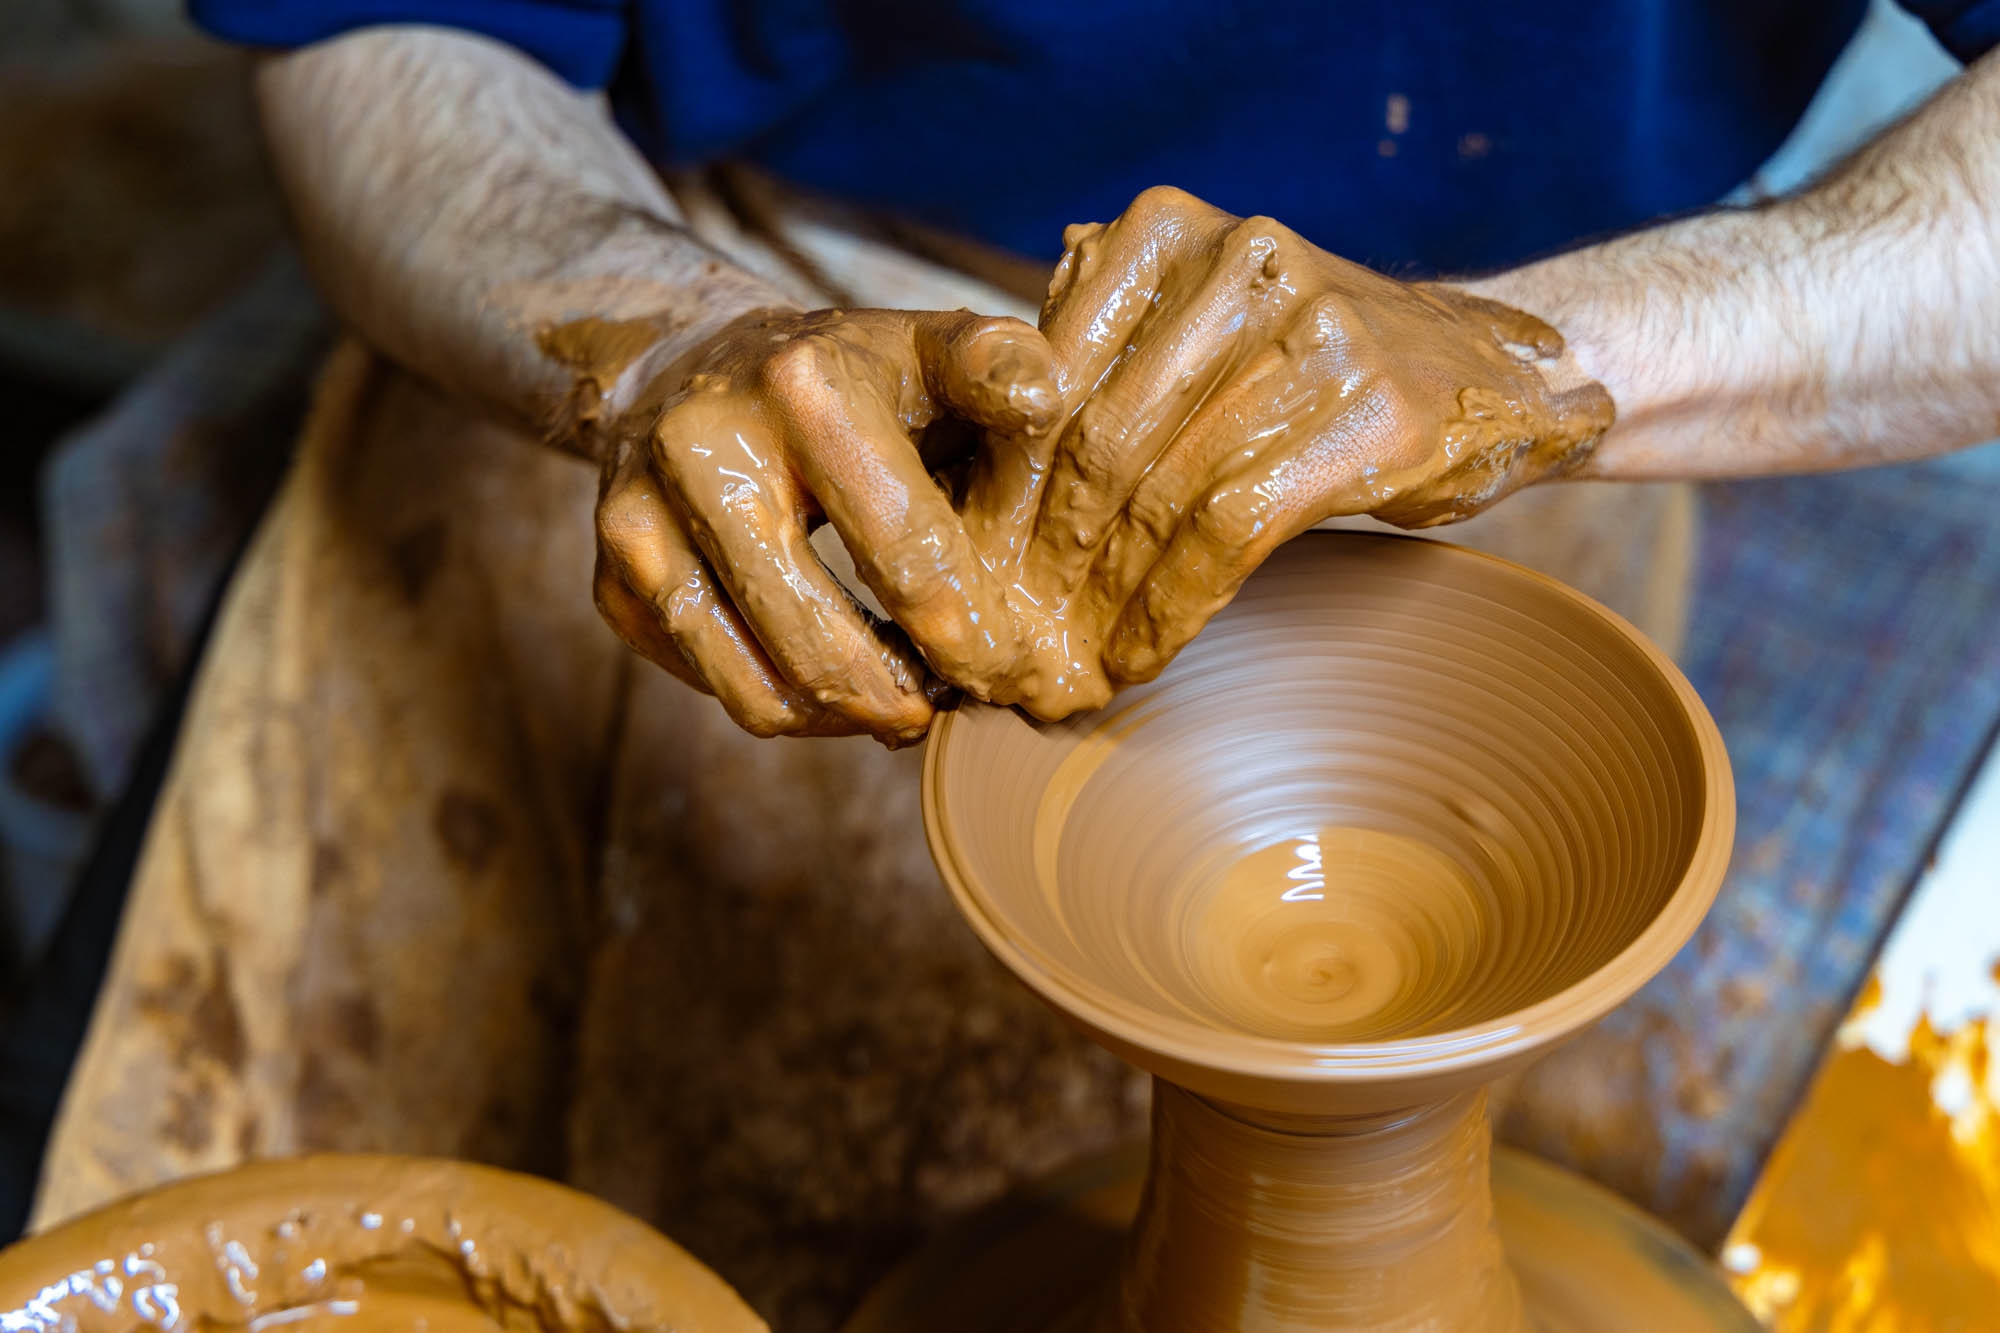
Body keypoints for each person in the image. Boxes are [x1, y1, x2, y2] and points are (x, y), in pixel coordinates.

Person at [189, 0, 2000, 744]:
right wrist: (670, 340)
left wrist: (1538, 360)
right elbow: (380, 21)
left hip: (1555, 363)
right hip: (733, 312)